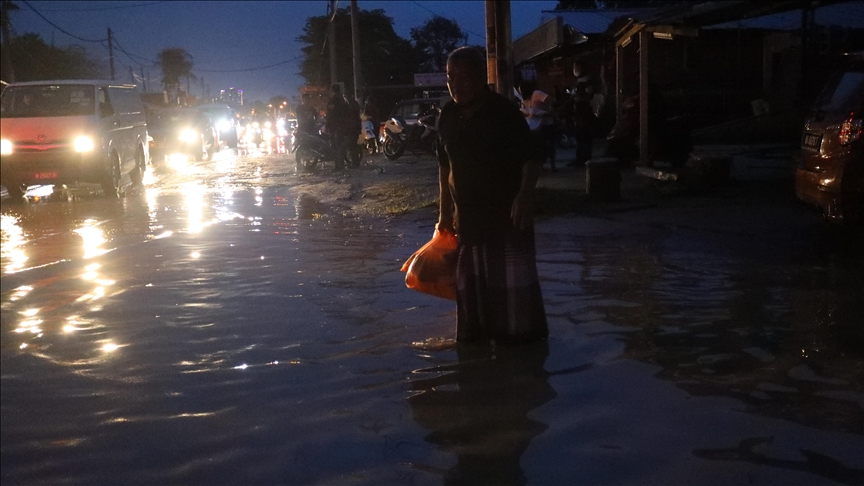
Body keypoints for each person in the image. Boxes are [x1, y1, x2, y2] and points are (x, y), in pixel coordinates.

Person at [436, 46, 548, 345]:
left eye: (464, 76)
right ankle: (477, 373)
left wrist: (524, 196)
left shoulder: (503, 113)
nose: (456, 83)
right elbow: (445, 167)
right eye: (450, 77)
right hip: (469, 224)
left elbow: (533, 157)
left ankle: (523, 370)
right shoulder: (447, 116)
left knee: (516, 308)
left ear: (481, 77)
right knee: (472, 308)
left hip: (507, 222)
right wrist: (444, 215)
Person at [519, 81, 557, 172]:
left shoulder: (536, 94)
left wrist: (548, 113)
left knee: (548, 145)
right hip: (533, 125)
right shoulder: (523, 100)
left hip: (546, 124)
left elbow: (551, 101)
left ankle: (552, 165)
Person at [568, 60, 598, 166]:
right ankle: (580, 158)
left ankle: (585, 159)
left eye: (576, 67)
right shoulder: (578, 81)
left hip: (584, 112)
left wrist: (578, 96)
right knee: (579, 136)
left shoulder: (587, 81)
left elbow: (588, 96)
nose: (574, 70)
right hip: (578, 112)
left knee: (584, 136)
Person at [325, 83, 350, 171]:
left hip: (334, 127)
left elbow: (330, 114)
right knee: (340, 146)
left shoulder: (333, 101)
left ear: (332, 91)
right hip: (341, 126)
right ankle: (341, 165)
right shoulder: (342, 101)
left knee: (336, 147)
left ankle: (338, 166)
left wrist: (327, 125)